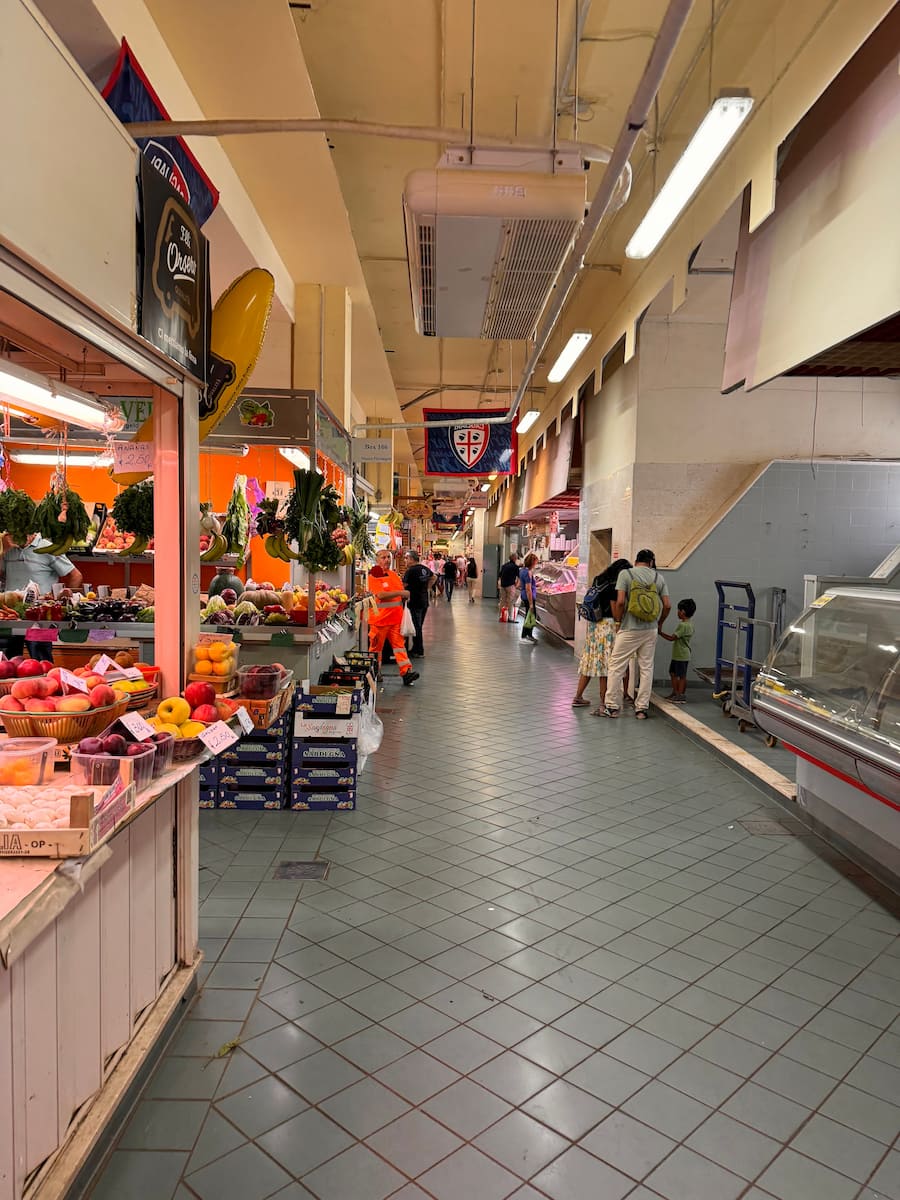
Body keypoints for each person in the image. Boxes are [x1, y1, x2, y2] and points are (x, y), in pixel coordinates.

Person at [604, 548, 670, 719]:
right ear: (651, 562)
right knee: (646, 668)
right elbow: (668, 605)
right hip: (650, 629)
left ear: (636, 561)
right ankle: (641, 709)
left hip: (629, 627)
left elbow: (619, 602)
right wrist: (659, 623)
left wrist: (618, 622)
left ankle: (612, 706)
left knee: (616, 665)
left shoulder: (626, 574)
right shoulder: (658, 577)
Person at [572, 558, 632, 711]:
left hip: (594, 627)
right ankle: (604, 703)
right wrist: (620, 621)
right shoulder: (614, 585)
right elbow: (615, 607)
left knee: (590, 662)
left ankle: (578, 697)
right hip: (608, 626)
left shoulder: (599, 579)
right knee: (606, 666)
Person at [366, 549, 419, 686]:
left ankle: (406, 672)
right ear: (377, 560)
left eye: (388, 557)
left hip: (396, 620)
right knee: (376, 649)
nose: (387, 560)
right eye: (383, 557)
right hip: (380, 621)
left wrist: (403, 594)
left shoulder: (394, 575)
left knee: (400, 647)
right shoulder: (374, 574)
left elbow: (398, 594)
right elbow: (381, 595)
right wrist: (402, 592)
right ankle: (374, 673)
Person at [2, 534, 83, 594]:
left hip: (40, 609)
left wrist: (65, 599)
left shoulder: (48, 548)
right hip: (9, 609)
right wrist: (4, 550)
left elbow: (76, 576)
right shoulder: (8, 548)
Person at [660, 598, 696, 703]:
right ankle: (676, 692)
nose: (677, 612)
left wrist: (660, 633)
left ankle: (680, 695)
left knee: (680, 675)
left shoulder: (683, 625)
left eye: (678, 610)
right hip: (681, 655)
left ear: (683, 611)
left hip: (680, 655)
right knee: (675, 673)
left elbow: (672, 638)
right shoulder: (690, 624)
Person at [402, 550, 433, 658]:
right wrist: (426, 588)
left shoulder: (410, 571)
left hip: (414, 602)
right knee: (418, 626)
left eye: (406, 558)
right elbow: (434, 577)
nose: (405, 560)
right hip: (424, 601)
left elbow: (404, 585)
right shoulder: (424, 568)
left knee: (416, 627)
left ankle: (419, 651)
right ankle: (415, 649)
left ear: (411, 559)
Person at [519, 552, 538, 641]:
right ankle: (528, 634)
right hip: (528, 596)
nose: (536, 564)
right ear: (532, 562)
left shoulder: (522, 571)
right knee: (531, 614)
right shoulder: (528, 573)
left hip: (524, 595)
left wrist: (535, 584)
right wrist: (531, 603)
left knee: (528, 614)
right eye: (536, 562)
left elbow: (522, 585)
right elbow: (528, 589)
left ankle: (524, 634)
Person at [498, 552, 520, 621]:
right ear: (514, 558)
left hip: (503, 585)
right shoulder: (515, 567)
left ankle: (501, 616)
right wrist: (517, 585)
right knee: (510, 602)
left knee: (502, 601)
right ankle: (510, 617)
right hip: (510, 586)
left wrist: (499, 584)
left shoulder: (504, 565)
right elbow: (519, 577)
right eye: (516, 558)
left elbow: (500, 576)